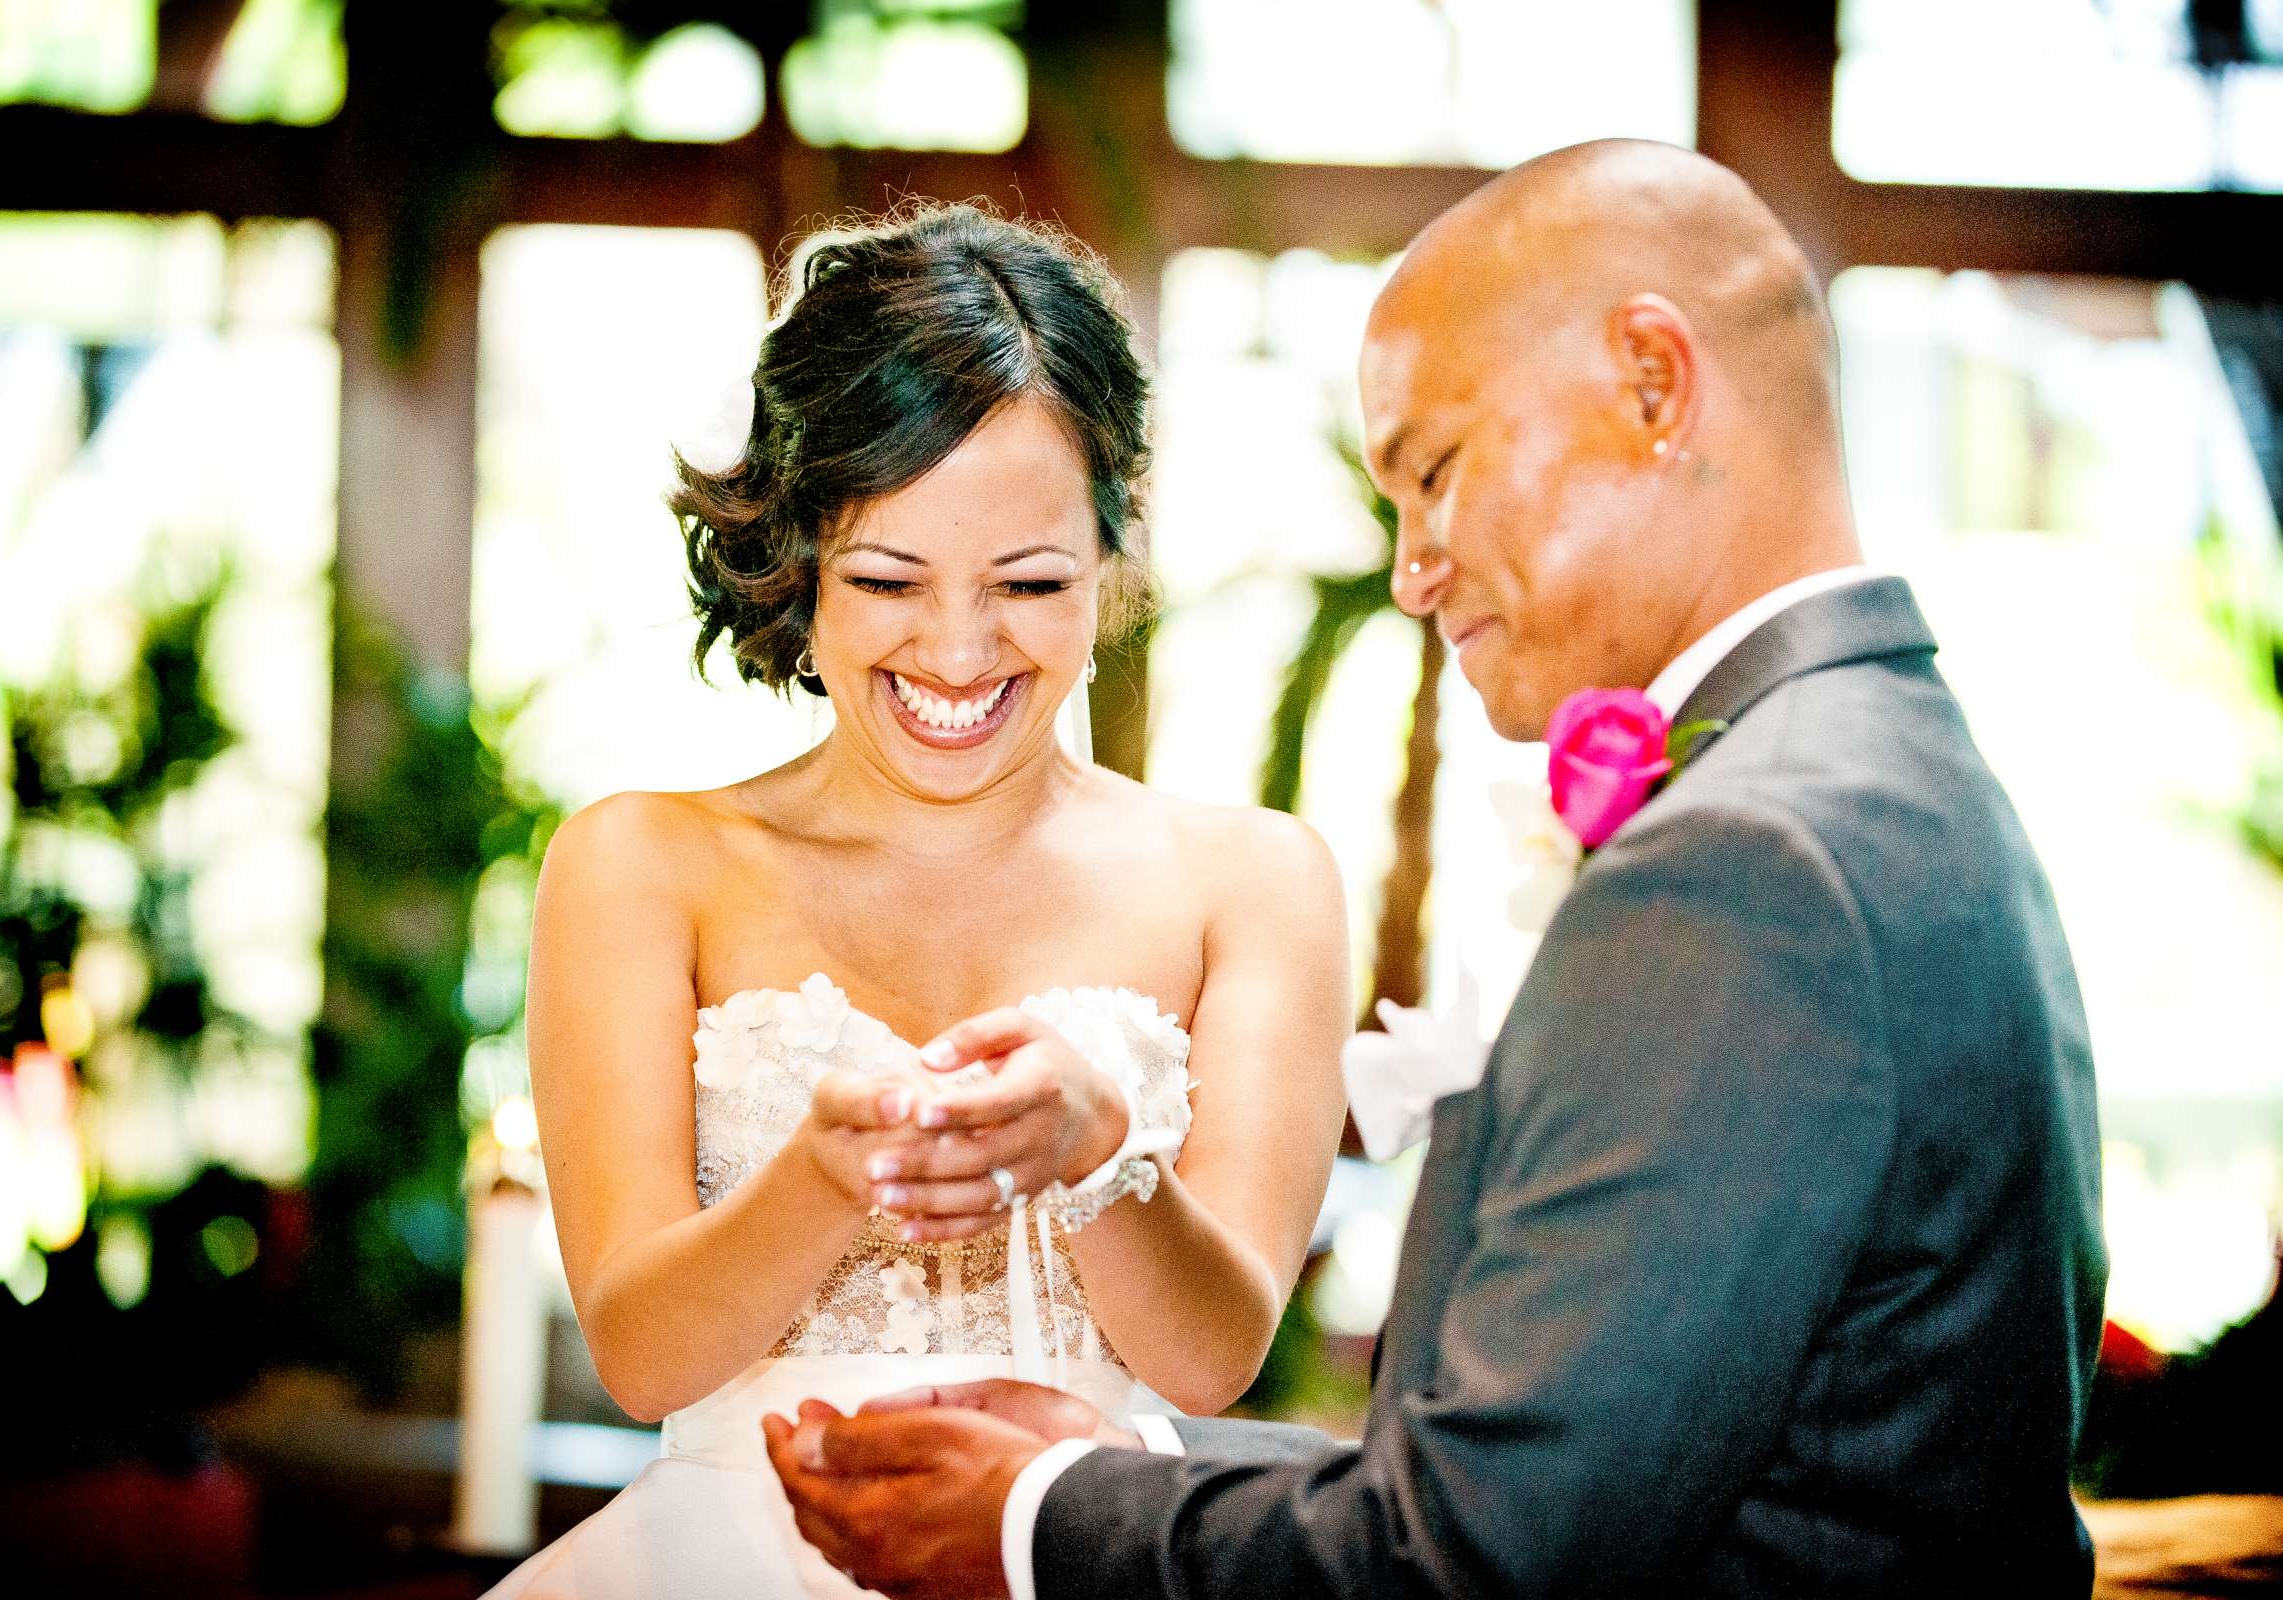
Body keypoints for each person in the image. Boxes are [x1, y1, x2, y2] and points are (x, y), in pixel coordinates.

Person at [767, 140, 2109, 1597]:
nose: (1412, 569)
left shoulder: (1746, 863)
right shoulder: (1882, 767)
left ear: (1652, 385)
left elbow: (1473, 1564)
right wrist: (1102, 1469)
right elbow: (1577, 1475)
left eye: (1436, 471)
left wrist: (1036, 1528)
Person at [487, 204, 1350, 1599]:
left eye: (1029, 583)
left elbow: (1211, 1359)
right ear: (795, 557)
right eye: (889, 578)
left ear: (1112, 556)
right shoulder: (640, 866)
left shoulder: (1253, 883)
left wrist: (1099, 1157)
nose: (958, 651)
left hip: (1084, 1557)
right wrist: (828, 1177)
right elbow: (644, 1355)